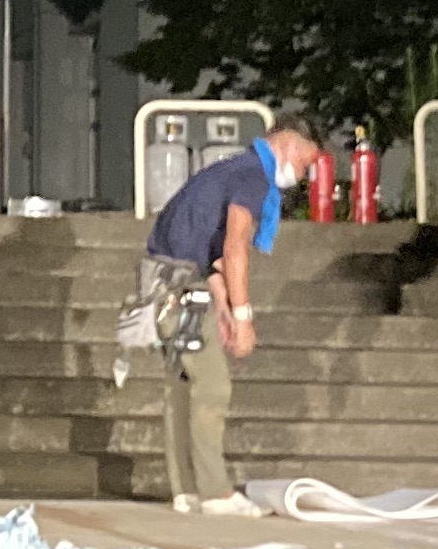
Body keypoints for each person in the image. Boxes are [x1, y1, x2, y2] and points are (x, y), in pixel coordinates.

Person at [126, 112, 323, 517]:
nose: (302, 176)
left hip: (164, 284)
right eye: (305, 164)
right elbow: (234, 249)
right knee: (212, 386)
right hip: (183, 290)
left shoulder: (227, 170)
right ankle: (215, 492)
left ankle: (186, 490)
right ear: (289, 145)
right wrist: (244, 317)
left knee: (181, 387)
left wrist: (223, 306)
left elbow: (204, 250)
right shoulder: (252, 176)